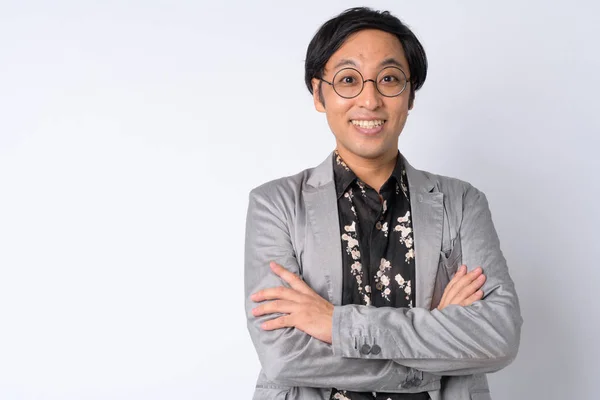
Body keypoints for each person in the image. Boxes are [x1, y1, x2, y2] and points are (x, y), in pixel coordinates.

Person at [244, 7, 522, 400]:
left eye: (389, 79)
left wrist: (335, 325)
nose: (370, 100)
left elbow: (497, 337)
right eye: (348, 80)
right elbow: (285, 357)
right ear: (319, 93)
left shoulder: (462, 203)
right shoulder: (276, 204)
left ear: (409, 95)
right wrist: (437, 338)